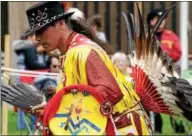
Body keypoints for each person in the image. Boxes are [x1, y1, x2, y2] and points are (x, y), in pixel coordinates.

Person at [26, 2, 152, 135]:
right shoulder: (69, 52)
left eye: (41, 31)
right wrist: (53, 107)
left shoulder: (82, 51)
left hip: (123, 127)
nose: (37, 38)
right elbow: (77, 94)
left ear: (60, 24)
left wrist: (61, 108)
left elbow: (111, 92)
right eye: (35, 33)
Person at [146, 9, 183, 134]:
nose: (161, 22)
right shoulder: (146, 37)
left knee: (172, 99)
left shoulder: (171, 36)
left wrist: (166, 57)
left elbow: (178, 52)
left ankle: (177, 126)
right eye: (157, 20)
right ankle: (157, 127)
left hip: (169, 71)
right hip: (152, 72)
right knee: (154, 99)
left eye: (163, 20)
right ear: (151, 21)